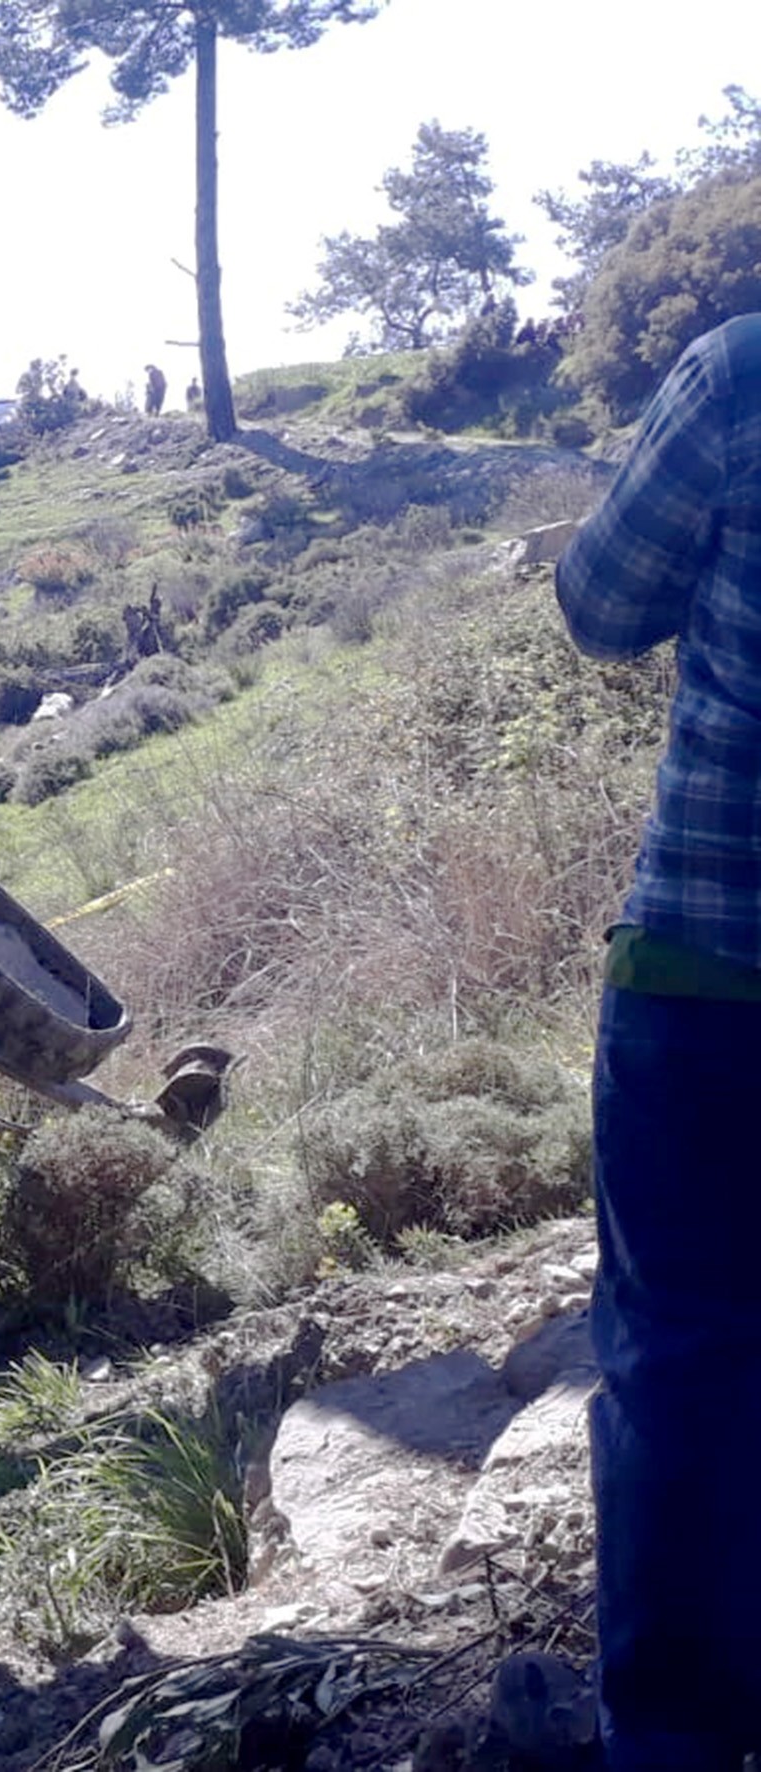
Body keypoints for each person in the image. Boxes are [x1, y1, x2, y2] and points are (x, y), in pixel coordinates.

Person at [553, 311, 761, 1768]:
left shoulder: (742, 373)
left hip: (710, 961)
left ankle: (682, 1737)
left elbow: (600, 604)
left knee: (683, 1355)